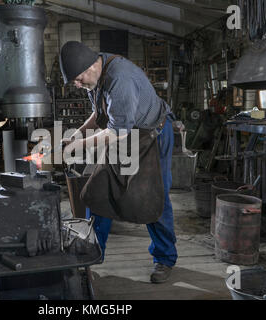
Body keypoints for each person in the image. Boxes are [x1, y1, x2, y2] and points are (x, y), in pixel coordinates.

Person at [59, 41, 177, 283]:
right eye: (75, 82)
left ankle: (165, 258)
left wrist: (75, 147)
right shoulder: (96, 77)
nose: (78, 85)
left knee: (154, 196)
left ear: (93, 64)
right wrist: (78, 133)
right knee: (99, 189)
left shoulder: (120, 78)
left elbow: (116, 132)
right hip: (127, 134)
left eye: (79, 79)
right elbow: (100, 113)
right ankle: (93, 253)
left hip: (152, 136)